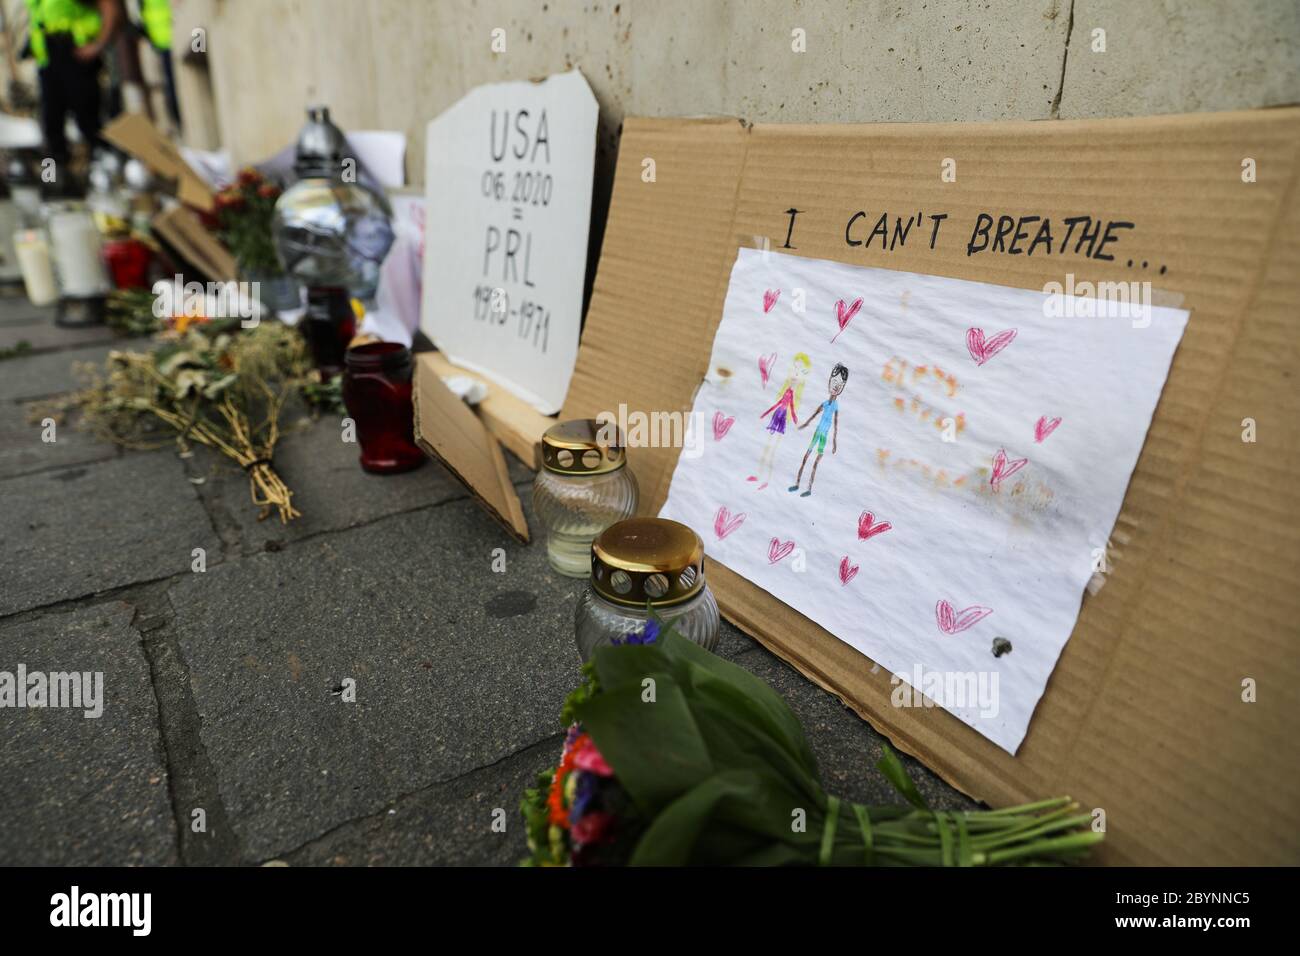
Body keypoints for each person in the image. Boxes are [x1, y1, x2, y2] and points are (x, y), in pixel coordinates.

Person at [24, 0, 123, 170]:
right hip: (48, 60)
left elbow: (110, 7)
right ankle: (52, 178)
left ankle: (107, 169)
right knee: (51, 124)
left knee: (88, 118)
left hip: (74, 54)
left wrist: (97, 46)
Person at [749, 352, 810, 491]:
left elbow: (792, 408)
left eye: (800, 372)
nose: (795, 374)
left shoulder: (793, 393)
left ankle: (766, 480)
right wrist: (766, 413)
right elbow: (777, 405)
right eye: (794, 369)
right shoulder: (786, 390)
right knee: (767, 446)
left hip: (782, 418)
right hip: (777, 415)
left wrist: (794, 419)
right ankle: (758, 476)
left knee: (772, 448)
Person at [789, 363, 848, 497]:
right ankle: (797, 484)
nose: (836, 386)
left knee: (816, 460)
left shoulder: (835, 406)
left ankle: (809, 488)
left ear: (842, 387)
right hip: (817, 433)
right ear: (829, 382)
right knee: (806, 456)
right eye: (834, 382)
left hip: (823, 436)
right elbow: (814, 415)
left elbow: (836, 423)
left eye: (840, 384)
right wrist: (806, 424)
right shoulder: (825, 403)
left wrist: (834, 442)